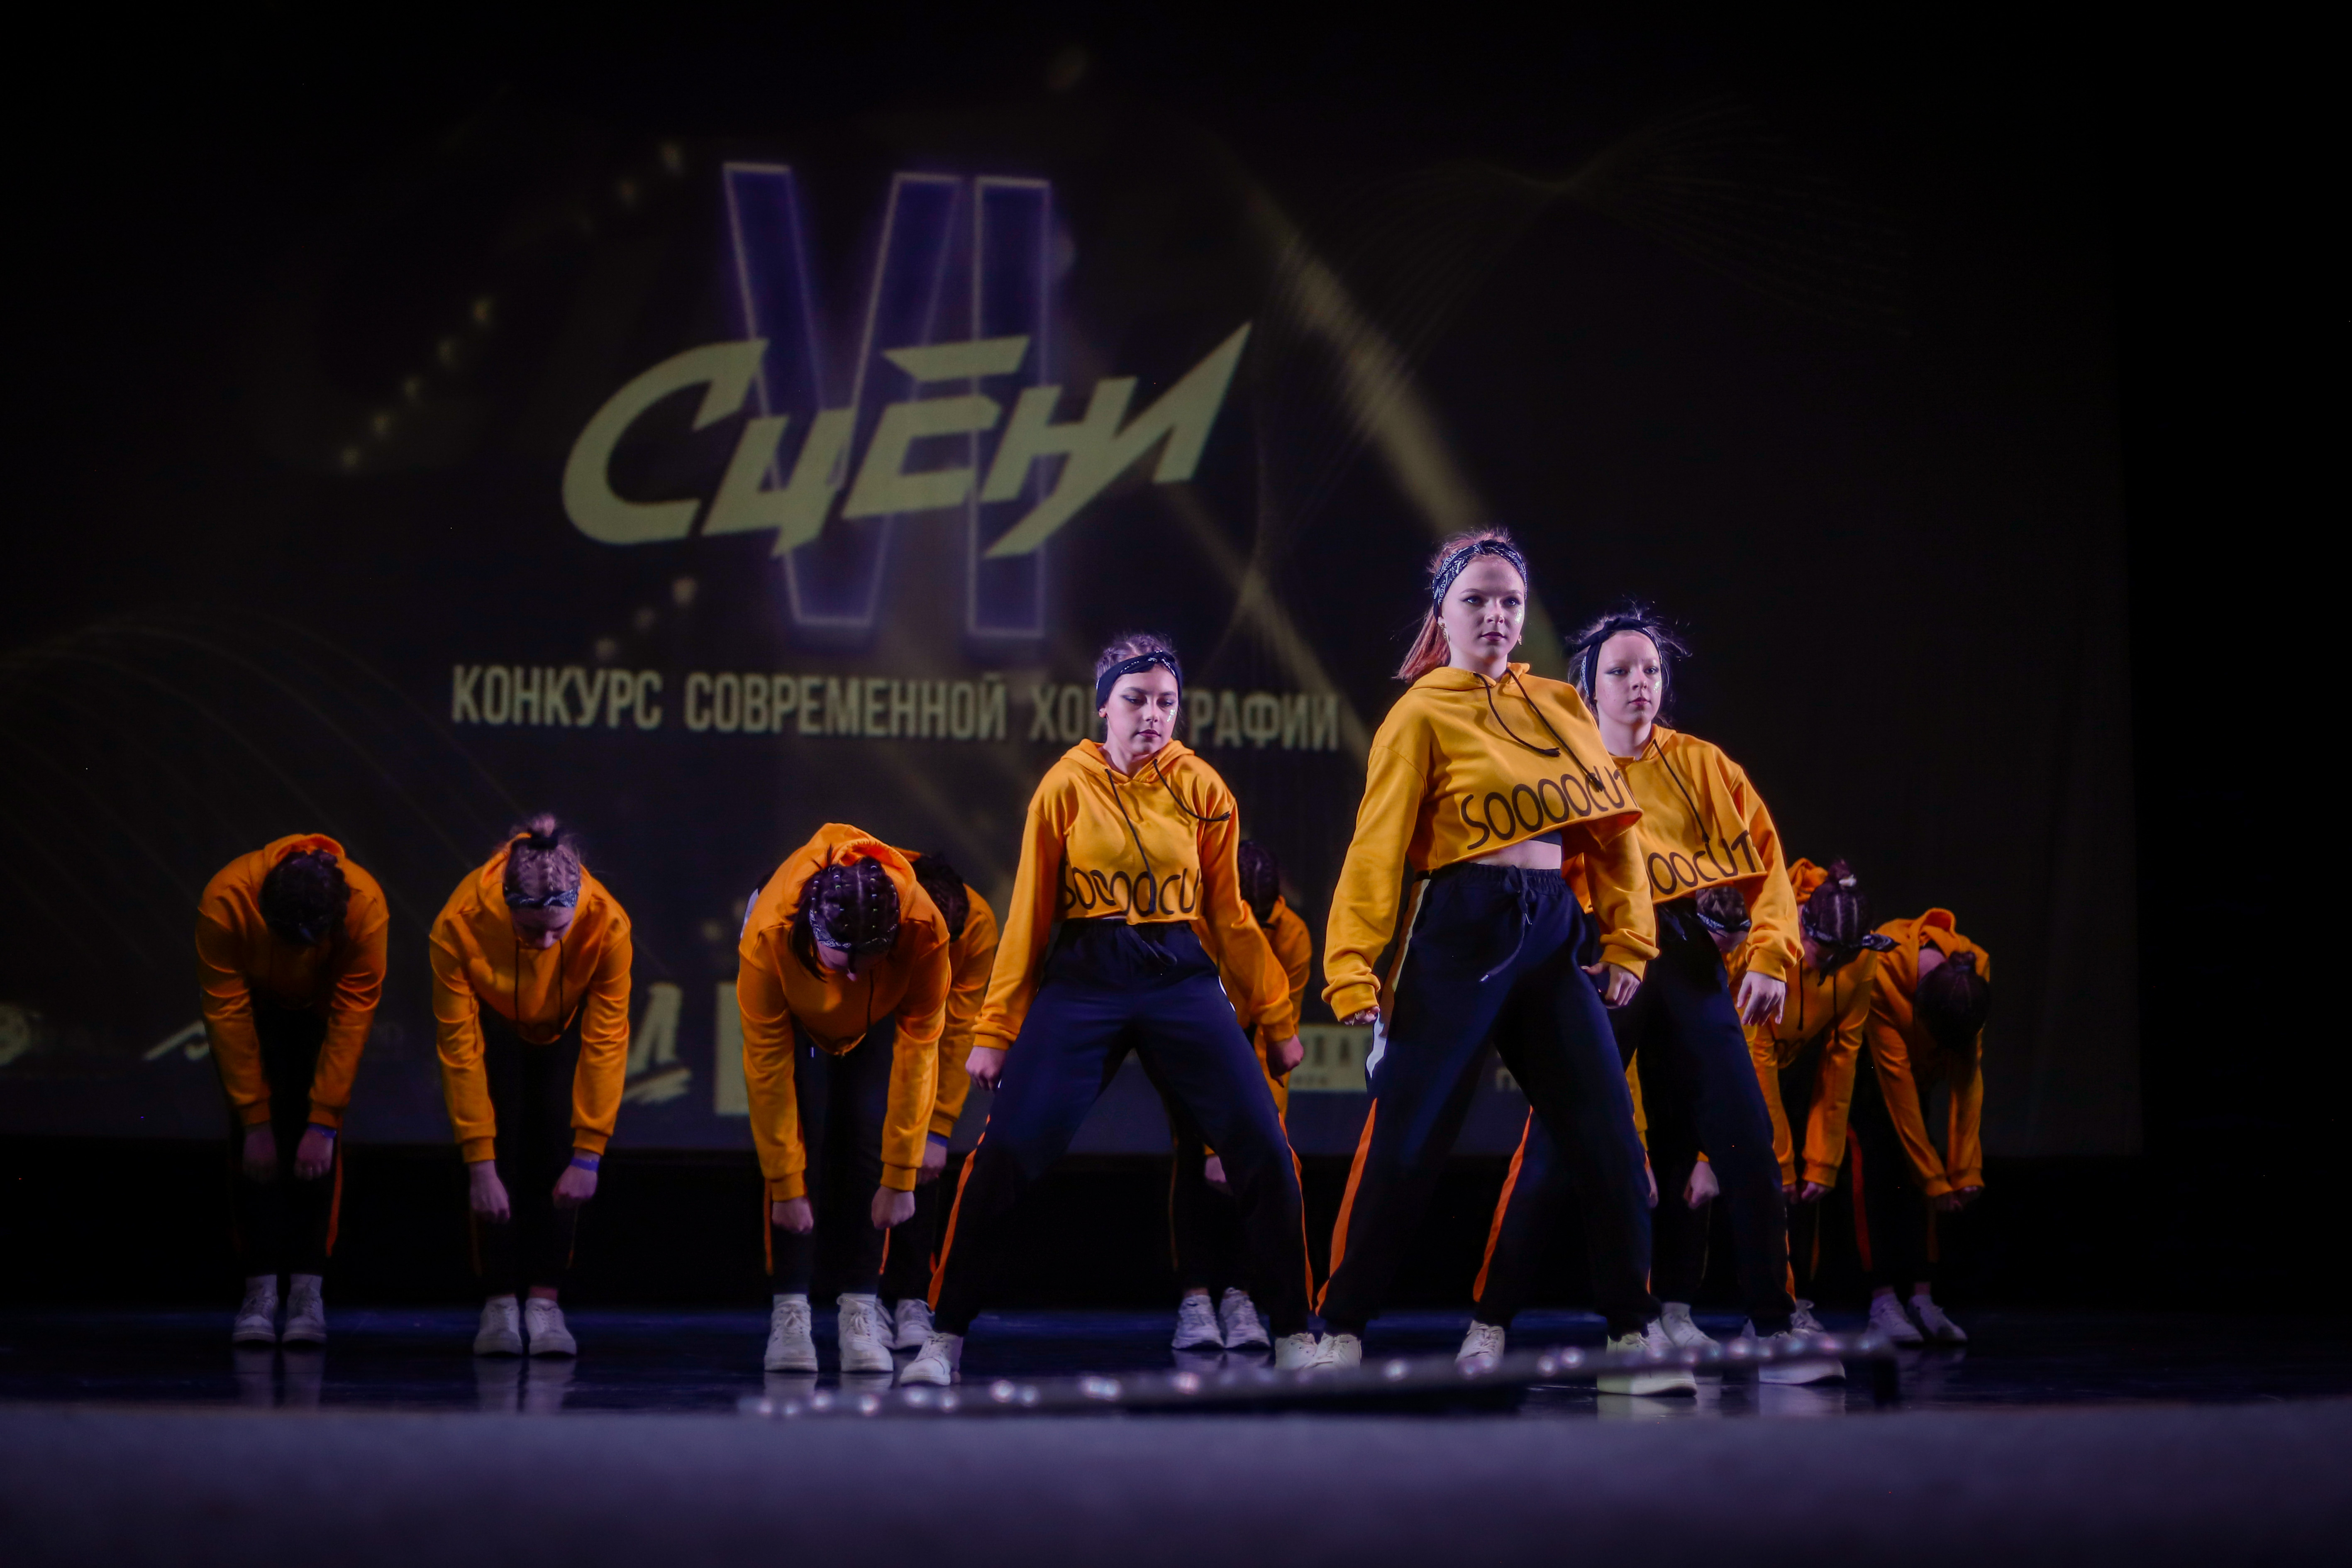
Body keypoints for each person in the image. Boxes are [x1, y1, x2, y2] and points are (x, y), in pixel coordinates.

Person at [1312, 530, 1685, 1394]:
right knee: (1407, 1139)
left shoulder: (1559, 704)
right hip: (1459, 925)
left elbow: (1614, 836)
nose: (1494, 614)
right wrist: (1352, 964)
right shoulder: (1420, 712)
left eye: (1509, 600)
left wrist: (1628, 939)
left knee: (1607, 1133)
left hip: (1550, 926)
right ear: (1442, 613)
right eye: (1475, 599)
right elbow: (1376, 847)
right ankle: (1340, 1327)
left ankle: (1629, 1335)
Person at [903, 634, 1314, 1385]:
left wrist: (1278, 1017)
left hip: (1180, 975)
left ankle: (1293, 1333)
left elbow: (1229, 915)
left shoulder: (1202, 787)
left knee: (1263, 1145)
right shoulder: (1064, 786)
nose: (1152, 714)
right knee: (1007, 1151)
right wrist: (995, 1030)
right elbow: (1029, 914)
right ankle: (944, 1336)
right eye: (1136, 699)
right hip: (1086, 977)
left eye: (1166, 701)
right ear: (1103, 706)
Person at [1461, 610, 1833, 1382]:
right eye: (1622, 671)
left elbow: (1767, 868)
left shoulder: (1704, 765)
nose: (1640, 684)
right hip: (1601, 959)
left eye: (1652, 671)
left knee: (1744, 1138)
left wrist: (1769, 953)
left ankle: (1768, 1324)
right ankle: (1489, 1322)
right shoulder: (1563, 763)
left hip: (1690, 960)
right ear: (1589, 686)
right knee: (1554, 1149)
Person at [740, 827, 952, 1375]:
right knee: (802, 1139)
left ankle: (860, 1307)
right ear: (813, 930)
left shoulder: (924, 929)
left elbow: (919, 1054)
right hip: (799, 1011)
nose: (856, 972)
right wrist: (786, 1185)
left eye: (870, 957)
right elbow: (767, 1070)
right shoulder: (769, 931)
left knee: (868, 1136)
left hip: (877, 1019)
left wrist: (901, 1176)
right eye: (844, 959)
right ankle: (790, 1311)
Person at [432, 817, 632, 1358]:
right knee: (498, 1157)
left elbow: (607, 1043)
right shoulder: (459, 922)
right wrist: (479, 1163)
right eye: (528, 931)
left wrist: (590, 1153)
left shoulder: (608, 922)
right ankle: (499, 1303)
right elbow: (459, 1049)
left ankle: (545, 1303)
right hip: (495, 1025)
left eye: (557, 931)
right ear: (506, 908)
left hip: (565, 1026)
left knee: (557, 1152)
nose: (544, 943)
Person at [197, 834, 388, 1346]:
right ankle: (259, 1291)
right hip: (255, 1007)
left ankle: (307, 1291)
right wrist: (255, 1120)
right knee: (253, 1149)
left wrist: (324, 1122)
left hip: (324, 1010)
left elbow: (353, 1016)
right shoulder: (226, 898)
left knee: (318, 1153)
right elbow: (227, 1012)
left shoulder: (365, 905)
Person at [1168, 838, 1312, 1354]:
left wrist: (1267, 1121)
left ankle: (1240, 1295)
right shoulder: (1194, 926)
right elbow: (1198, 1031)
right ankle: (1195, 1298)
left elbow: (1277, 1043)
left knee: (1258, 1158)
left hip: (1251, 1041)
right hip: (1190, 1041)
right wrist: (1216, 1145)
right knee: (1196, 1158)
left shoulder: (1291, 936)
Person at [1744, 858, 1896, 1314]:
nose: (1828, 963)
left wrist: (1823, 1160)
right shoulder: (1772, 934)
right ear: (1803, 927)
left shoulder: (1860, 958)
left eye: (1840, 957)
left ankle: (1795, 1304)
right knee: (1754, 1177)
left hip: (1797, 1063)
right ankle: (1749, 1311)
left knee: (1811, 1184)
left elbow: (1843, 1054)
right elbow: (1757, 1054)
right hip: (1741, 1057)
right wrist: (1784, 1160)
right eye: (1822, 950)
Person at [877, 851, 999, 1352]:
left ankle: (910, 1296)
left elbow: (960, 1028)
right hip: (868, 1021)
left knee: (924, 1161)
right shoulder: (875, 897)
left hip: (927, 1033)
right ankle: (865, 1296)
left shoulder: (978, 925)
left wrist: (938, 1128)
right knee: (866, 1148)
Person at [1853, 907, 1991, 1346]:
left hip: (1918, 1073)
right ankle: (1882, 1302)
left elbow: (1967, 1077)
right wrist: (1936, 1178)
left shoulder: (1974, 967)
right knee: (1876, 1168)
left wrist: (1965, 1169)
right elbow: (1897, 1088)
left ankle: (1921, 1297)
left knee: (1922, 1176)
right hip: (1868, 1075)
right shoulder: (1883, 968)